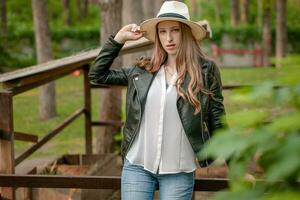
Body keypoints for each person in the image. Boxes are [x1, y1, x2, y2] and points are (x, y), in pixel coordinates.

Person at [89, 1, 226, 199]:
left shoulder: (206, 72)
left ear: (186, 32)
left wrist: (237, 167)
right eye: (162, 32)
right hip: (138, 166)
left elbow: (218, 119)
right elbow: (97, 75)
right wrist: (119, 39)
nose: (168, 38)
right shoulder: (142, 71)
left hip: (178, 170)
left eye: (175, 31)